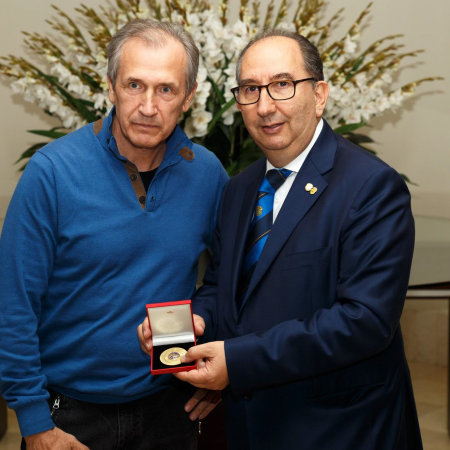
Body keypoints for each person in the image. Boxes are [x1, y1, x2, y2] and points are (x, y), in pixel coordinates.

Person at [140, 28, 423, 449]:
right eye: (250, 89)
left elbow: (364, 321)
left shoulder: (371, 187)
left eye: (282, 85)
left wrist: (237, 361)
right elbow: (222, 288)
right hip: (250, 426)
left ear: (319, 95)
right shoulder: (239, 190)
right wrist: (183, 324)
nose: (265, 106)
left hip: (338, 428)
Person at [0, 19, 228, 449]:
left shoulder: (207, 174)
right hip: (68, 414)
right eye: (134, 85)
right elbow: (13, 304)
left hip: (171, 408)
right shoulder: (52, 172)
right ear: (110, 87)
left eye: (166, 89)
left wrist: (216, 359)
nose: (148, 106)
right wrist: (34, 422)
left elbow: (231, 281)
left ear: (189, 97)